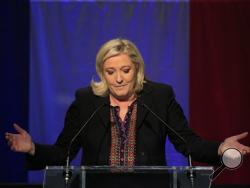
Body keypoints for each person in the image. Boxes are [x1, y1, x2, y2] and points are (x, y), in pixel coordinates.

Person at [5, 38, 250, 181]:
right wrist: (33, 148)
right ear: (102, 73)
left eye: (126, 70)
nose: (119, 79)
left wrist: (219, 147)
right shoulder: (86, 101)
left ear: (137, 69)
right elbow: (63, 152)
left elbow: (188, 143)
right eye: (110, 72)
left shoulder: (159, 97)